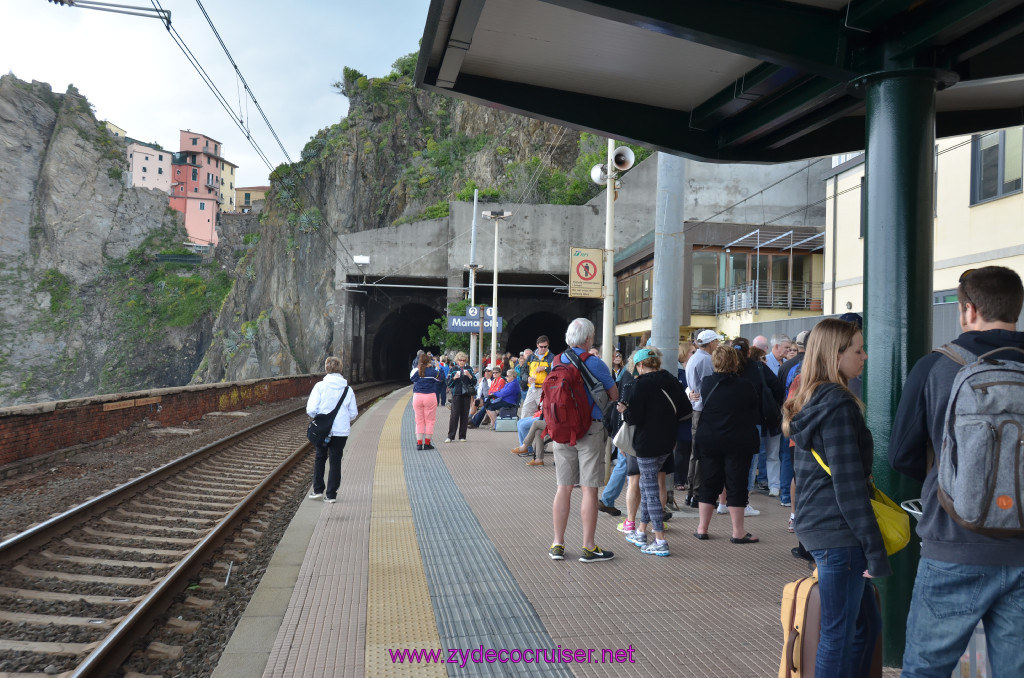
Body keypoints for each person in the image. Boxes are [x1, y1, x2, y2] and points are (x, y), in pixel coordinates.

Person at [889, 266, 1024, 677]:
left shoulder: (936, 366)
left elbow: (900, 455)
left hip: (953, 542)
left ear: (967, 310)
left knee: (926, 668)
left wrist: (950, 481)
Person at [785, 318, 888, 678]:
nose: (865, 356)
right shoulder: (839, 406)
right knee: (838, 634)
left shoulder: (811, 399)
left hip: (820, 526)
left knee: (862, 628)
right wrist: (875, 550)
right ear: (836, 354)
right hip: (839, 534)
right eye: (858, 350)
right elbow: (848, 485)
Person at [548, 318, 618, 563]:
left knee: (563, 487)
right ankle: (588, 547)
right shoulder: (595, 363)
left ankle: (557, 544)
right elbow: (614, 394)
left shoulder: (556, 361)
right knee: (589, 488)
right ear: (588, 338)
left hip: (561, 431)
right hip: (590, 431)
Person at [618, 347, 690, 556]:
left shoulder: (640, 384)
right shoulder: (672, 380)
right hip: (668, 442)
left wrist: (624, 411)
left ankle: (660, 540)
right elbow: (685, 410)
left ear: (640, 365)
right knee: (650, 486)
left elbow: (635, 418)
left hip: (647, 444)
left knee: (649, 490)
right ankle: (641, 532)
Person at [693, 346, 760, 543]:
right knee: (736, 484)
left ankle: (702, 528)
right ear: (735, 362)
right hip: (737, 440)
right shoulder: (745, 386)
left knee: (708, 482)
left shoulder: (707, 382)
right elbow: (754, 408)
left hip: (710, 439)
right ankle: (737, 532)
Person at [306, 357, 359, 503]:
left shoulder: (320, 386)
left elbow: (311, 410)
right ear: (340, 369)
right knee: (336, 460)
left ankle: (317, 490)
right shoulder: (348, 389)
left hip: (323, 430)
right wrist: (341, 420)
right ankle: (331, 495)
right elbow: (353, 413)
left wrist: (322, 418)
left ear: (326, 368)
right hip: (341, 431)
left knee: (320, 457)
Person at [683, 329, 721, 507]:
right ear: (711, 343)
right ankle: (696, 492)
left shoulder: (694, 358)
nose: (718, 345)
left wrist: (690, 393)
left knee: (694, 452)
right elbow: (708, 387)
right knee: (700, 452)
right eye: (717, 342)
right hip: (703, 410)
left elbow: (693, 386)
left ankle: (692, 491)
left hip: (697, 408)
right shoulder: (705, 360)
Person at [410, 353, 443, 450]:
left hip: (417, 397)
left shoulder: (417, 372)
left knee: (419, 421)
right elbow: (441, 379)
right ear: (429, 362)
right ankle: (427, 444)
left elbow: (412, 378)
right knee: (429, 421)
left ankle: (419, 444)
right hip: (430, 397)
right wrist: (438, 368)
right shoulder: (433, 372)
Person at [444, 352, 476, 442]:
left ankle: (462, 436)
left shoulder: (469, 369)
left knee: (464, 415)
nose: (462, 362)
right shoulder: (453, 369)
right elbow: (448, 383)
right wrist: (454, 378)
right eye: (460, 360)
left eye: (464, 360)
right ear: (457, 360)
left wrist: (469, 376)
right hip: (456, 394)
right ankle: (450, 436)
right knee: (454, 415)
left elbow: (474, 382)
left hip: (466, 394)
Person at [520, 336, 553, 418]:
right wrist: (527, 378)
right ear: (537, 345)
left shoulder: (552, 357)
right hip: (532, 388)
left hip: (545, 390)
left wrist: (545, 368)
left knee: (547, 413)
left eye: (545, 347)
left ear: (548, 345)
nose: (543, 348)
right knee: (525, 412)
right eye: (541, 346)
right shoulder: (531, 357)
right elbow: (523, 371)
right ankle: (525, 430)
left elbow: (555, 372)